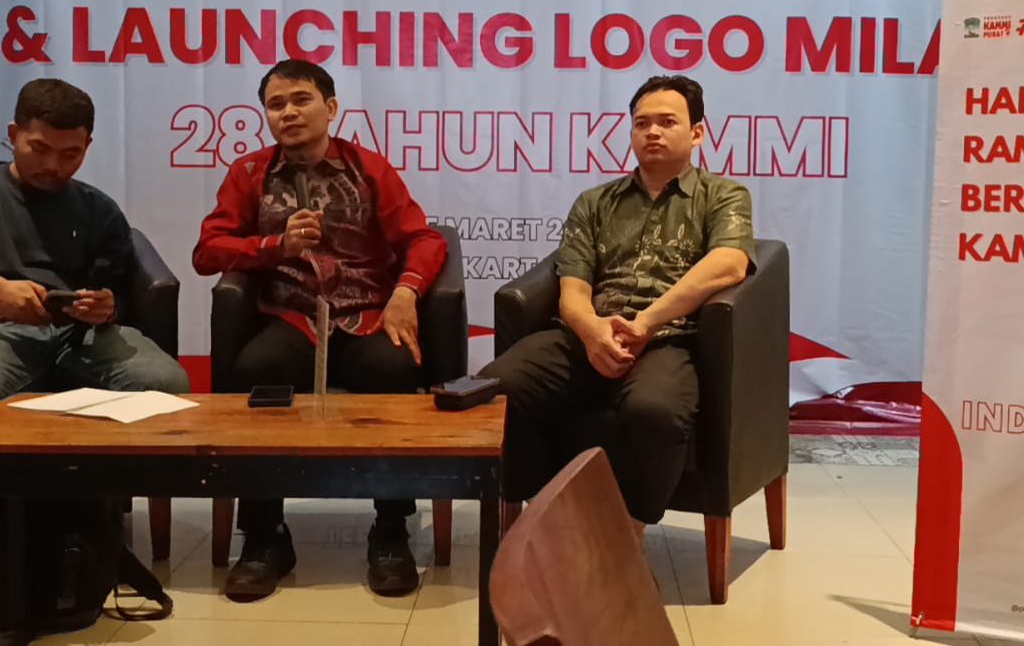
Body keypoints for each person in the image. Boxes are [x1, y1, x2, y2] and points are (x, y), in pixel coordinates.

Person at [193, 59, 447, 601]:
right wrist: (274, 246)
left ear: (330, 108)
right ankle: (264, 535)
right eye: (276, 104)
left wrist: (405, 293)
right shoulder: (249, 174)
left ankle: (390, 528)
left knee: (393, 369)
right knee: (257, 369)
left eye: (301, 100)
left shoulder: (368, 168)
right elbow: (207, 250)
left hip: (366, 314)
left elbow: (425, 239)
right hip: (292, 317)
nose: (288, 113)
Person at [482, 75, 755, 536]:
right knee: (496, 388)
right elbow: (572, 289)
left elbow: (729, 263)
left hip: (668, 338)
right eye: (642, 123)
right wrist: (591, 330)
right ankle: (544, 515)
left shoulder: (723, 196)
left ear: (697, 133)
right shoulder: (595, 203)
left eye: (667, 122)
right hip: (588, 335)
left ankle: (627, 535)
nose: (652, 132)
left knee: (654, 412)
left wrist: (646, 321)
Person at [0, 78, 190, 399]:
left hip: (85, 335)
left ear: (87, 146)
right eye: (40, 149)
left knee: (166, 384)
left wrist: (107, 308)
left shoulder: (100, 209)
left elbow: (121, 292)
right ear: (14, 134)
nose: (52, 166)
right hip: (7, 332)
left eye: (70, 154)